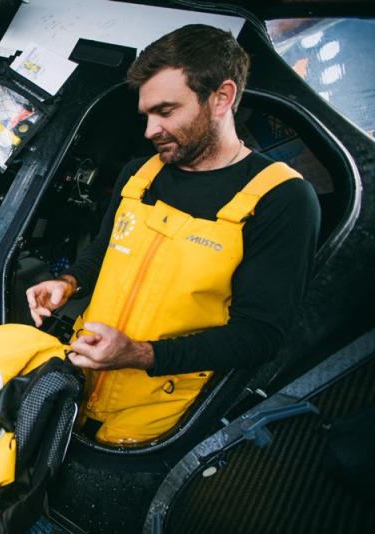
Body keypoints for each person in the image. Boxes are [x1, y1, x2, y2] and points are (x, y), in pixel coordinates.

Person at [26, 24, 321, 445]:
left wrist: (140, 355)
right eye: (146, 114)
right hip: (76, 381)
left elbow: (260, 335)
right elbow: (105, 252)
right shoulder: (138, 175)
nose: (149, 130)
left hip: (157, 421)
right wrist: (69, 282)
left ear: (222, 98)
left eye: (165, 111)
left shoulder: (281, 199)